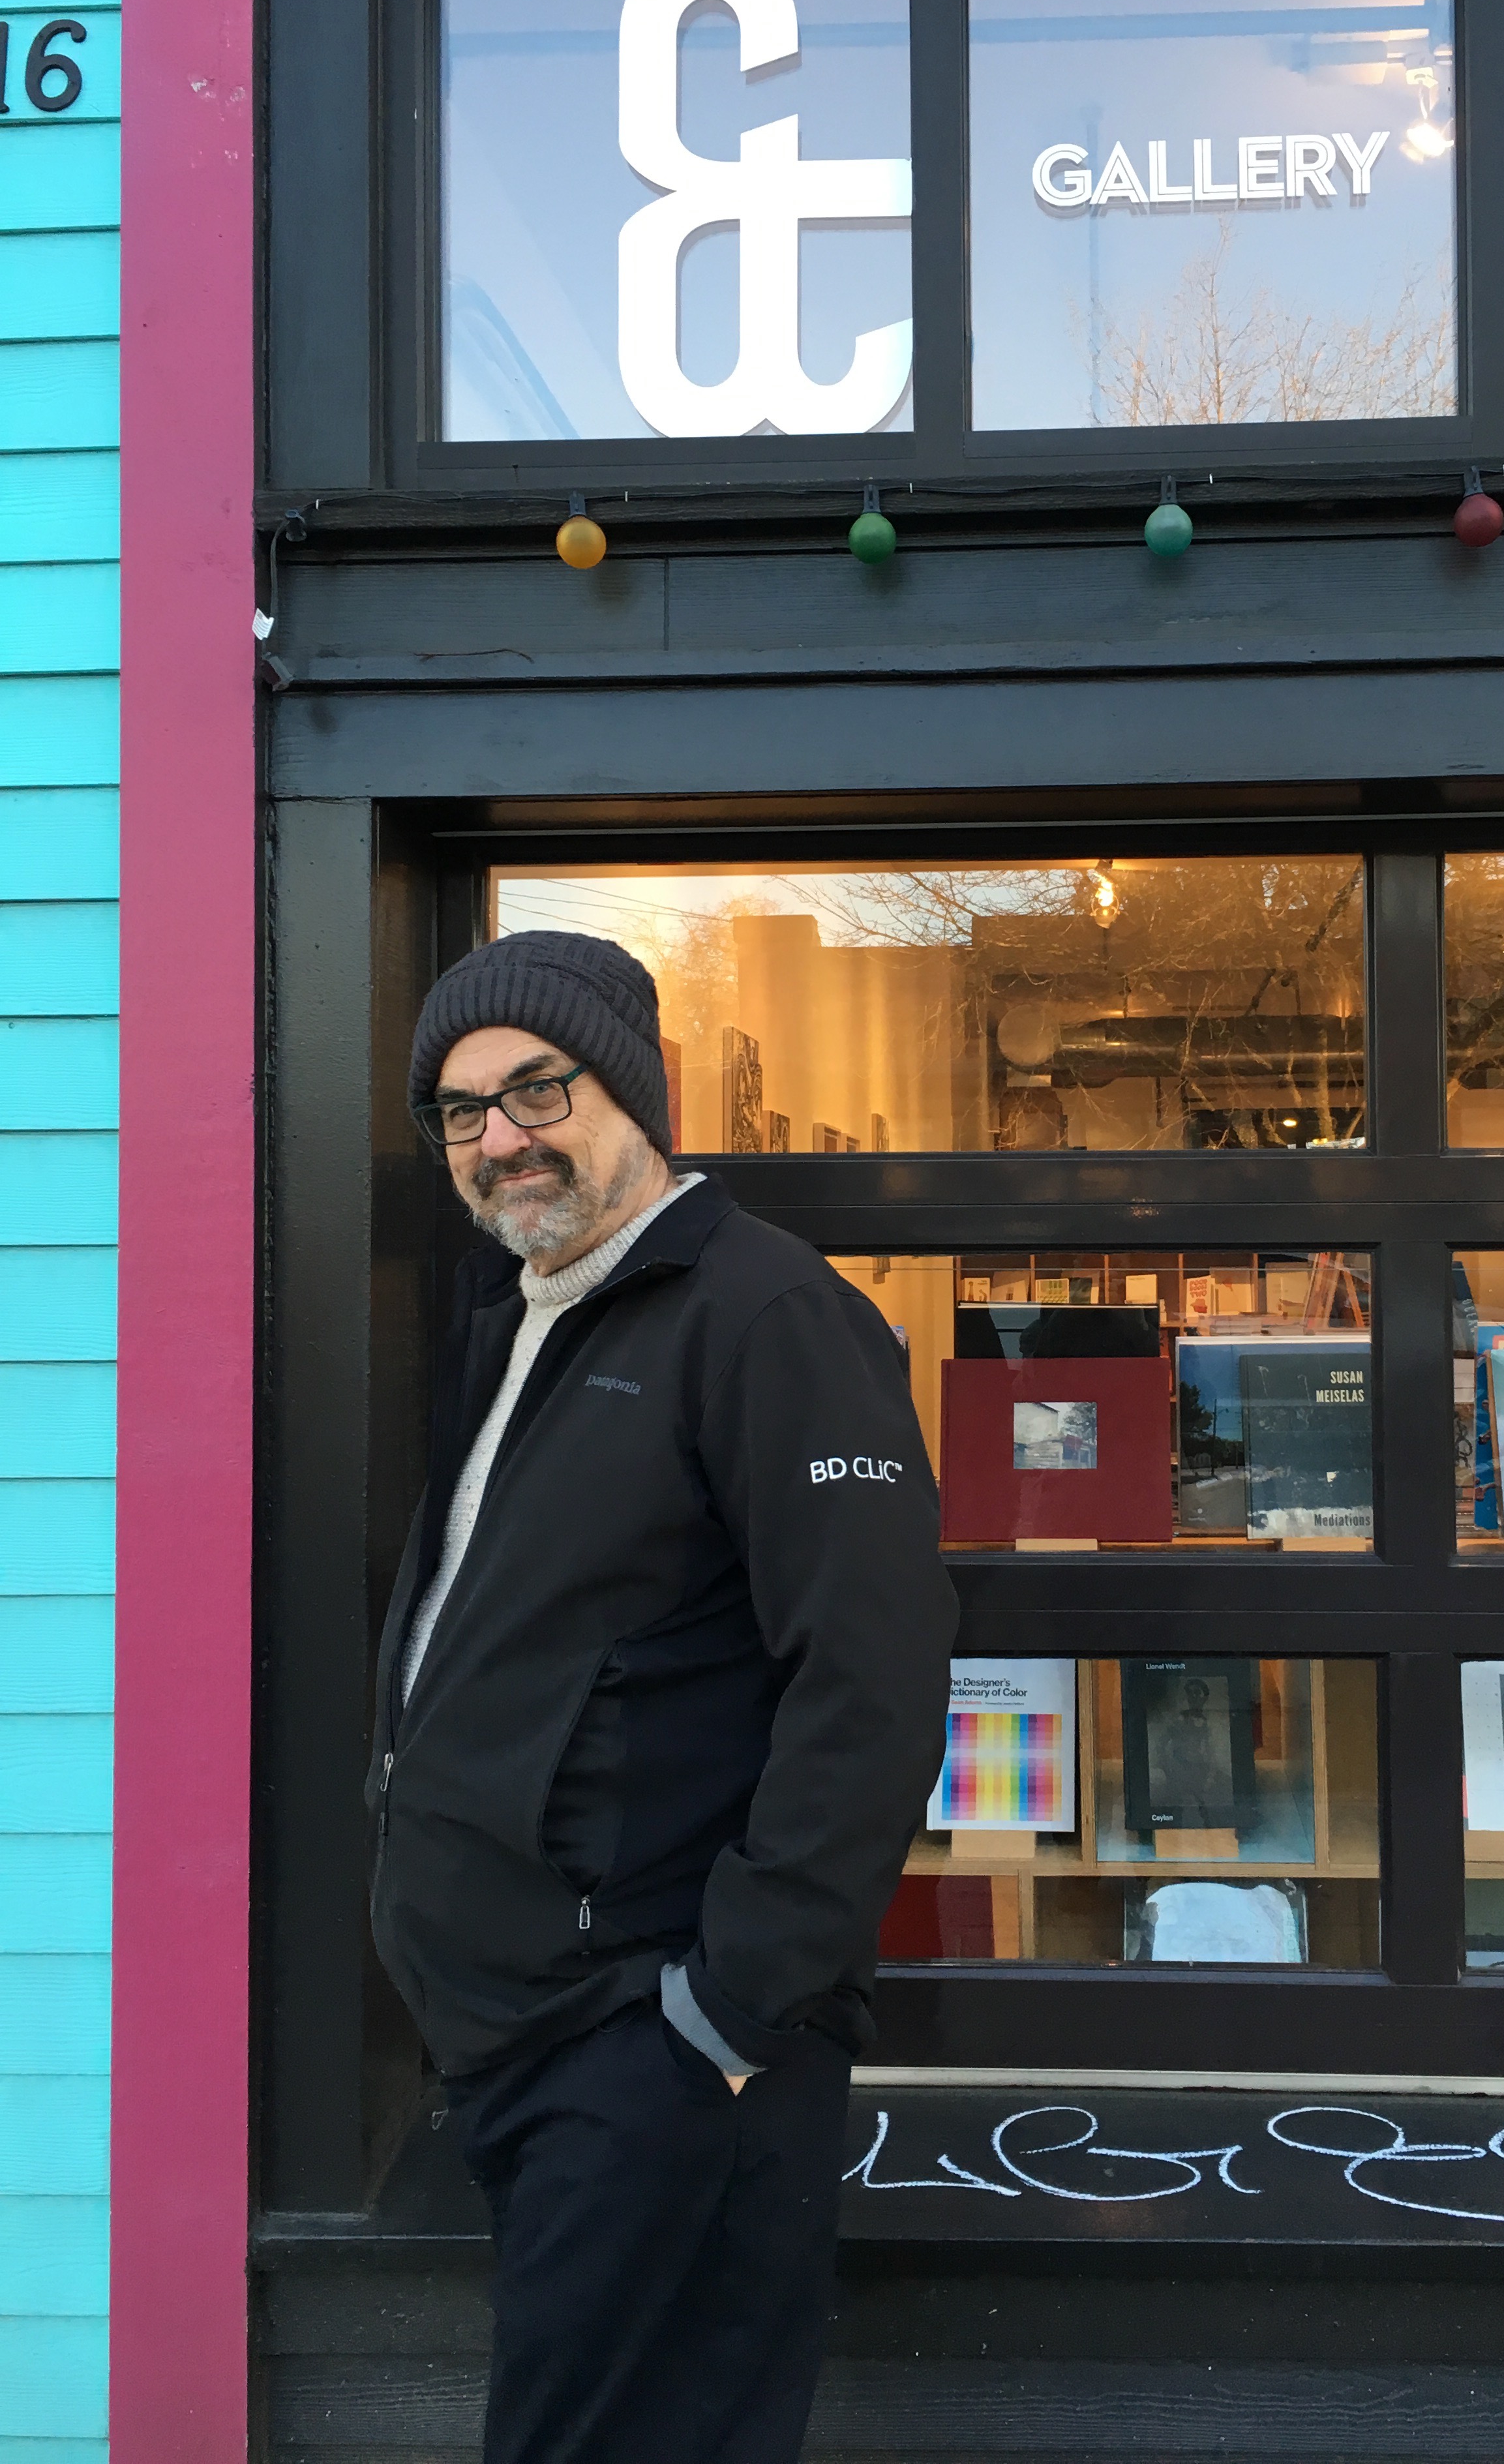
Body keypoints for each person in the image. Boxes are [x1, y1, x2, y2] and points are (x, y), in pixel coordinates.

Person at [364, 929, 957, 2464]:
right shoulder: (527, 1318)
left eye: (538, 1089)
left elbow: (874, 1679)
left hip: (656, 2045)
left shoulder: (768, 1315)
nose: (501, 1138)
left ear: (632, 1091)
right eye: (460, 1110)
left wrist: (728, 2013)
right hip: (526, 2039)